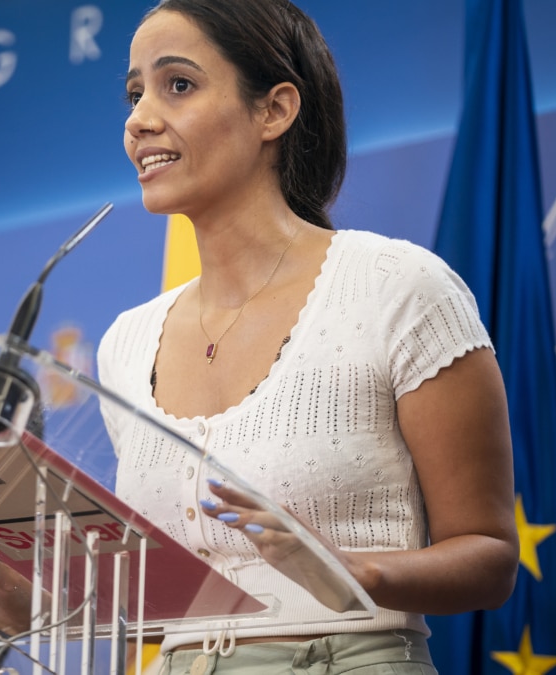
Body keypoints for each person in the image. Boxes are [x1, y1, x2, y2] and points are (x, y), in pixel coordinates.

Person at [91, 0, 520, 672]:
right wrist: (26, 602)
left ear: (275, 110)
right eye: (134, 92)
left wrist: (355, 572)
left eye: (178, 85)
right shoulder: (124, 343)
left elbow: (490, 556)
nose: (139, 119)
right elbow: (158, 595)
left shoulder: (399, 287)